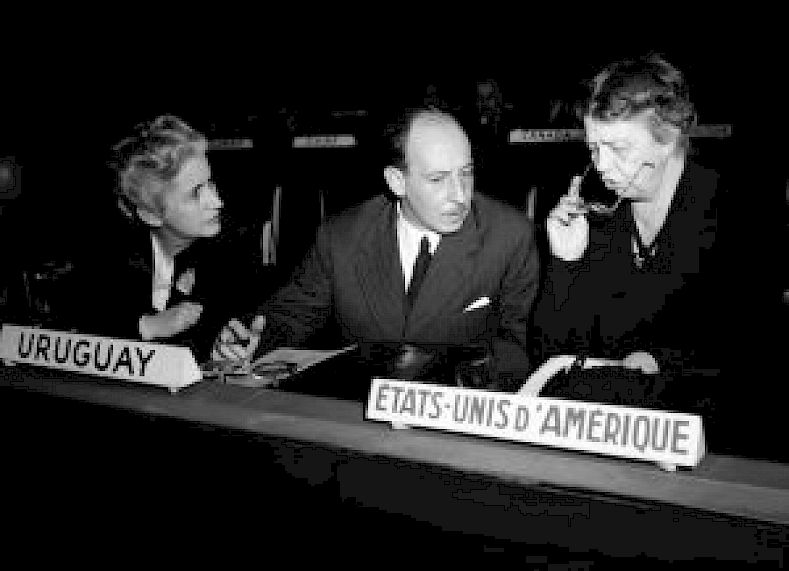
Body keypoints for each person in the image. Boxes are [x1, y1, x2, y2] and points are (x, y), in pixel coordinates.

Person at [214, 107, 540, 390]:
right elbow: (291, 315)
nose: (459, 195)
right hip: (359, 420)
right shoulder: (340, 238)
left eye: (466, 174)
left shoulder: (509, 236)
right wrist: (248, 339)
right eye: (438, 179)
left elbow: (522, 347)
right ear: (397, 181)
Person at [526, 54, 726, 402]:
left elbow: (751, 346)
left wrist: (660, 361)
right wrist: (566, 264)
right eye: (593, 149)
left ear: (668, 139)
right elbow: (551, 359)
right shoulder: (600, 222)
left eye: (618, 148)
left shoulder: (729, 213)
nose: (601, 166)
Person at [68, 114, 258, 361]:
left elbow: (221, 326)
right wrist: (147, 327)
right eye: (195, 193)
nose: (217, 202)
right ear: (150, 215)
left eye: (210, 183)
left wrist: (221, 346)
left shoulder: (231, 248)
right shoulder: (104, 254)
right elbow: (71, 330)